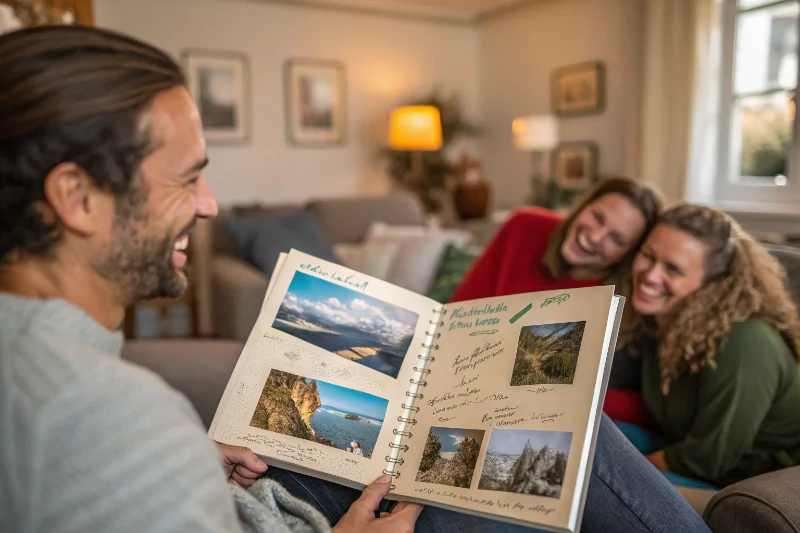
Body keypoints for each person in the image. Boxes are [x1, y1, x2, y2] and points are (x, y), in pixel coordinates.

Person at [0, 25, 710, 533]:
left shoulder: (56, 374)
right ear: (76, 197)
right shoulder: (105, 415)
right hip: (316, 517)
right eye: (187, 178)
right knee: (572, 435)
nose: (210, 205)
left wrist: (191, 455)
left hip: (265, 490)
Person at [611, 203, 800, 488]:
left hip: (742, 484)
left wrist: (625, 470)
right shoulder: (656, 321)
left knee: (608, 478)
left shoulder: (743, 342)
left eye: (673, 269)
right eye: (648, 255)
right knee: (596, 435)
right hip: (679, 451)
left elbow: (709, 459)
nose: (650, 275)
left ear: (712, 283)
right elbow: (609, 372)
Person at [449, 177, 663, 425]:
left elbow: (647, 407)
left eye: (616, 239)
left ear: (628, 255)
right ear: (583, 206)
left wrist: (568, 394)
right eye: (597, 217)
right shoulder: (524, 227)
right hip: (464, 384)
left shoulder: (626, 303)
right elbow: (456, 316)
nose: (595, 237)